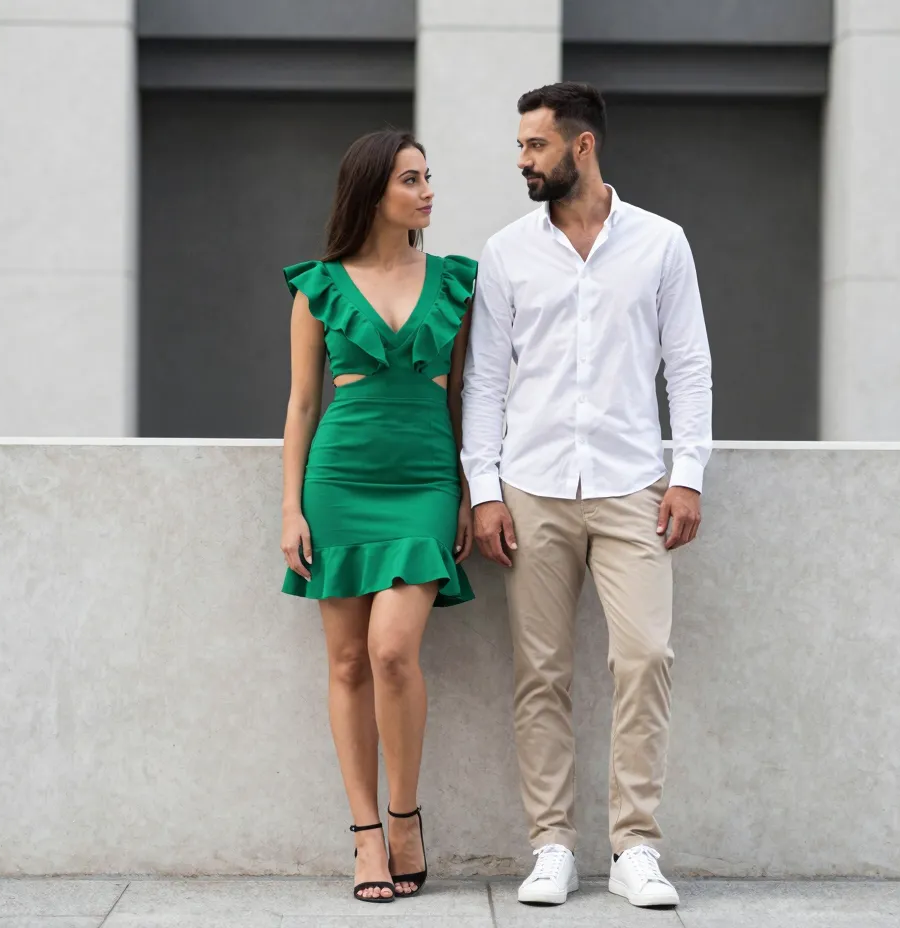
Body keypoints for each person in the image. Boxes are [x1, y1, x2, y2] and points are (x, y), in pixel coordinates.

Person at [462, 82, 713, 909]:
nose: (523, 161)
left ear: (582, 147)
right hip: (531, 487)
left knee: (645, 655)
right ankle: (553, 844)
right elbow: (487, 381)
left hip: (631, 485)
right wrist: (484, 488)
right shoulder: (506, 252)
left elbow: (689, 365)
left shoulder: (662, 243)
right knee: (541, 671)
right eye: (521, 147)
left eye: (535, 146)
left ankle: (637, 845)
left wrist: (686, 474)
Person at [280, 130, 477, 903]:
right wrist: (290, 504)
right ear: (372, 191)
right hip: (341, 477)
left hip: (425, 476)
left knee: (393, 651)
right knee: (349, 663)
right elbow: (301, 404)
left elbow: (467, 396)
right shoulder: (320, 285)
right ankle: (364, 833)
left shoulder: (458, 280)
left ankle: (405, 817)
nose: (427, 191)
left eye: (429, 177)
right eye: (411, 179)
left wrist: (469, 488)